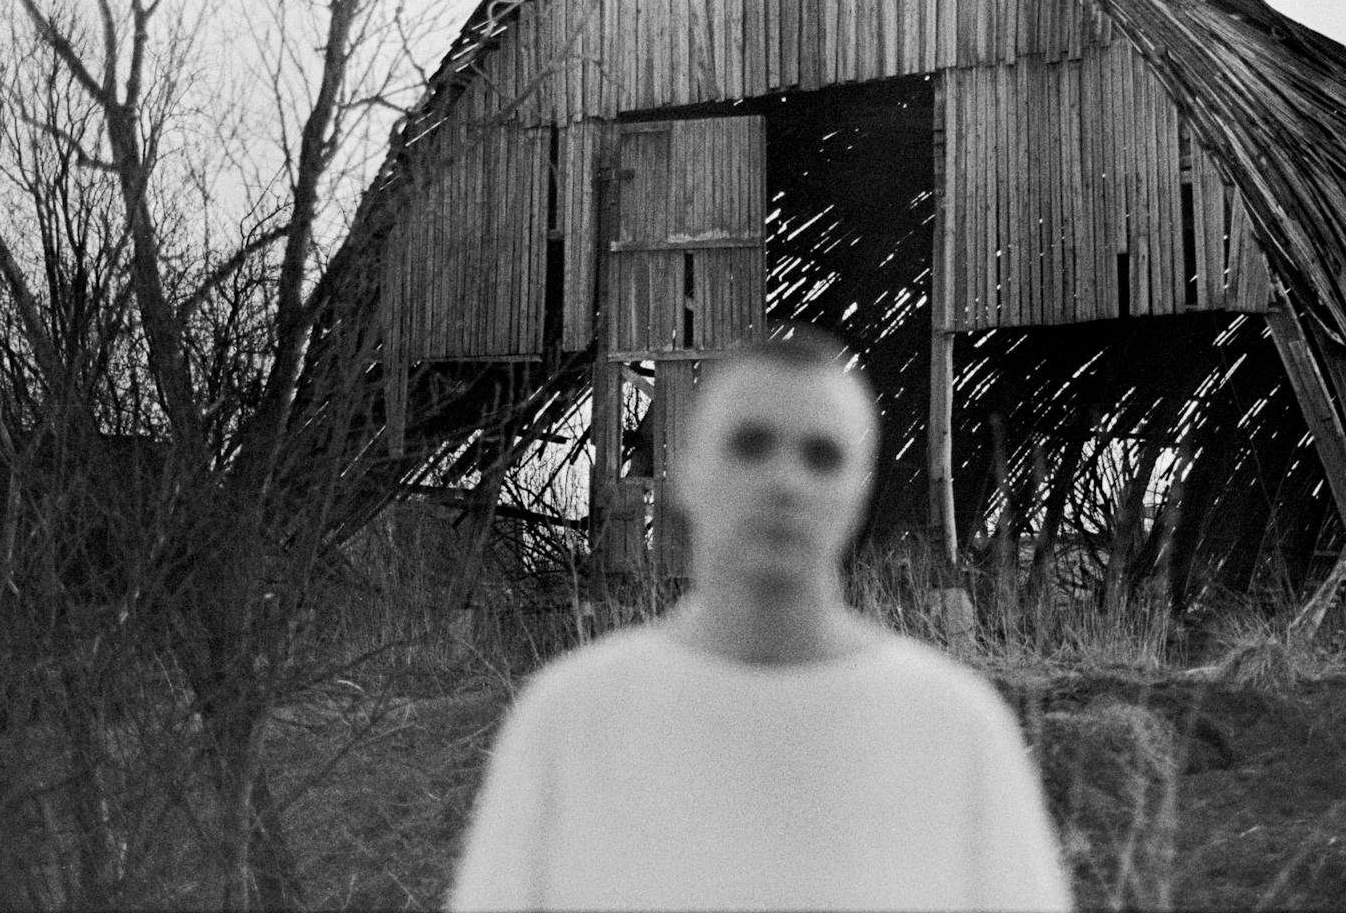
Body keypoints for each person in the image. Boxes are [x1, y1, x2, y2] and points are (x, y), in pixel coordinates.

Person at [448, 327, 1072, 912]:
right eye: (751, 444)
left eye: (822, 456)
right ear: (687, 469)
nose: (786, 482)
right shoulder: (571, 718)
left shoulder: (955, 729)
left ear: (859, 487)